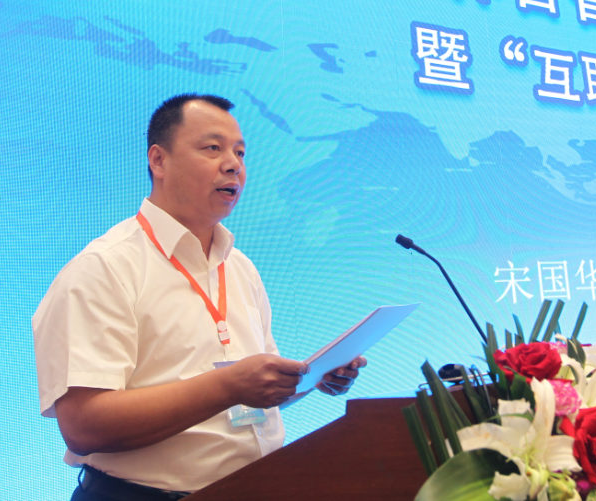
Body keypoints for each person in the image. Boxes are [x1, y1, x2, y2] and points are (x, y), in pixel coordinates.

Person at [32, 94, 367, 501]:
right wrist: (228, 385)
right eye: (213, 148)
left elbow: (247, 402)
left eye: (240, 153)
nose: (233, 165)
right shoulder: (105, 267)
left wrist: (313, 377)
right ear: (158, 160)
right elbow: (84, 426)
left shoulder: (240, 267)